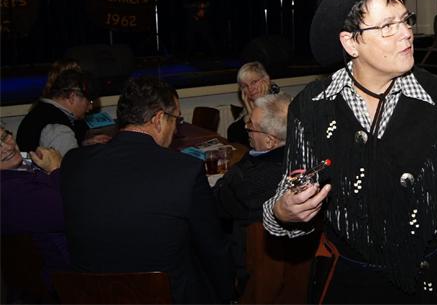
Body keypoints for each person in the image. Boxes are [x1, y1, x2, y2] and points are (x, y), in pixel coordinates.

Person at [263, 0, 437, 303]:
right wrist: (283, 211)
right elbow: (293, 189)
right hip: (349, 283)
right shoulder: (312, 107)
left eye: (405, 20)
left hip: (426, 282)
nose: (406, 33)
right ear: (351, 42)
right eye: (387, 27)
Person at [60, 76, 233, 304]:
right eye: (176, 120)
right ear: (159, 119)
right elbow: (212, 248)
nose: (176, 130)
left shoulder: (74, 162)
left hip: (89, 296)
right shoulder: (185, 171)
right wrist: (228, 295)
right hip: (165, 297)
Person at [214, 93, 292, 300]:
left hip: (252, 273)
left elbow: (218, 201)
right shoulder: (302, 159)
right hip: (291, 275)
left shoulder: (248, 181)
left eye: (251, 126)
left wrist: (249, 159)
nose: (246, 127)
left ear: (269, 140)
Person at [0, 124, 69, 299]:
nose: (7, 147)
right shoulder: (12, 192)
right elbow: (74, 213)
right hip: (67, 279)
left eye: (4, 137)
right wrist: (57, 169)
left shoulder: (21, 167)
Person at [16, 68, 93, 156]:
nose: (90, 107)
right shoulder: (60, 130)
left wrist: (84, 143)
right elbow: (71, 164)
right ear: (72, 97)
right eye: (89, 102)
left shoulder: (40, 110)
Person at [226, 61, 280, 146]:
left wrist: (253, 112)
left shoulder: (281, 106)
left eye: (254, 82)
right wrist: (250, 111)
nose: (250, 89)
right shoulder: (248, 108)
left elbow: (265, 143)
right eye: (245, 86)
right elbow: (234, 134)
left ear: (266, 80)